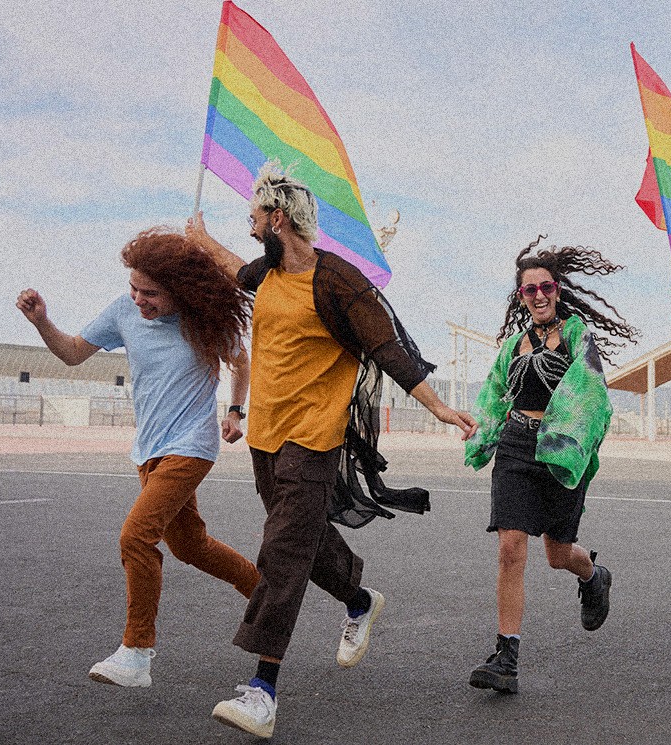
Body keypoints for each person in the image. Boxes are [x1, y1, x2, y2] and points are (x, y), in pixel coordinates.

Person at [185, 162, 476, 739]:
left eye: (253, 218)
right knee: (307, 541)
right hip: (265, 437)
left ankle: (262, 688)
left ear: (279, 218)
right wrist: (199, 240)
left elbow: (387, 346)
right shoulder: (266, 274)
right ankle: (361, 599)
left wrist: (437, 406)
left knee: (281, 551)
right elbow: (232, 268)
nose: (248, 229)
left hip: (314, 438)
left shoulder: (336, 280)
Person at [15, 228, 260, 689]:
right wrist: (41, 322)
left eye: (151, 293)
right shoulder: (123, 311)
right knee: (190, 546)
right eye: (135, 288)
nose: (139, 300)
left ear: (180, 291)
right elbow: (71, 354)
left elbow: (241, 361)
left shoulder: (203, 319)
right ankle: (263, 591)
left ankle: (136, 653)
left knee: (135, 537)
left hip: (191, 446)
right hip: (148, 450)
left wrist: (234, 410)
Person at [462, 237, 639, 694]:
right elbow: (493, 397)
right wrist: (480, 429)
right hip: (517, 448)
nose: (538, 295)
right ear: (520, 297)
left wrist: (569, 437)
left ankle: (594, 575)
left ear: (557, 290)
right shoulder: (512, 347)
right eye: (529, 290)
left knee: (558, 555)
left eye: (546, 287)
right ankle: (506, 656)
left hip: (561, 449)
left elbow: (593, 394)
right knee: (510, 548)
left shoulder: (578, 336)